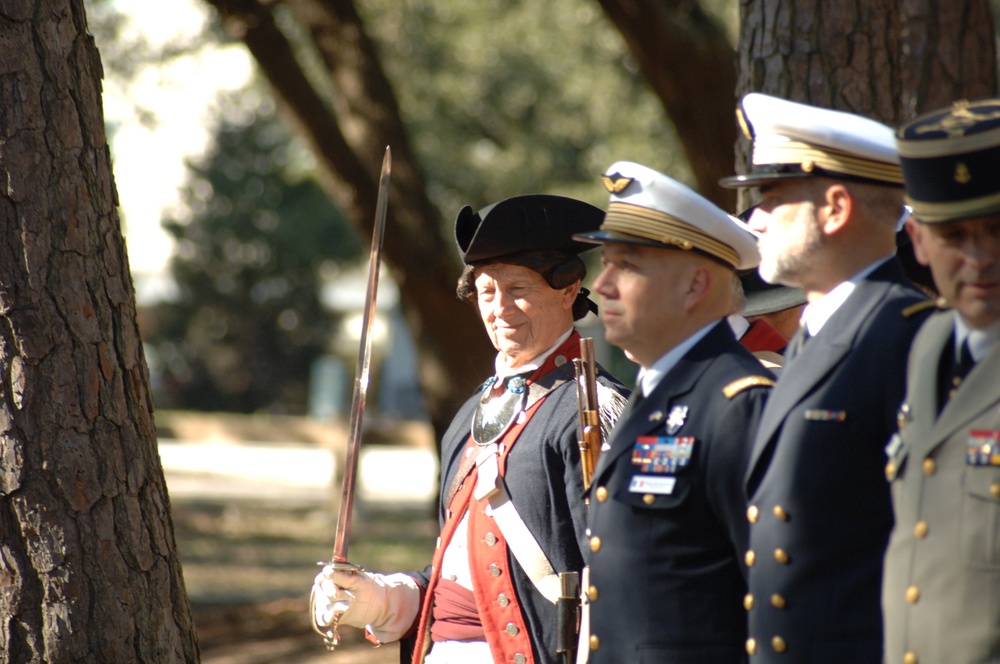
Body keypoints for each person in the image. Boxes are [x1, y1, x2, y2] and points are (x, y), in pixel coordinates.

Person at [310, 194, 630, 664]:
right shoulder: (470, 414)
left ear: (568, 289)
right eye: (486, 290)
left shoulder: (593, 409)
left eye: (518, 287)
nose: (499, 308)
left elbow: (614, 582)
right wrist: (381, 599)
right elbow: (457, 572)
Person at [719, 93, 933, 662]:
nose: (754, 219)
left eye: (771, 197)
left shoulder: (910, 338)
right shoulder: (817, 335)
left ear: (836, 208)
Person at [574, 161, 776, 662]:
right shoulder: (658, 389)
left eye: (628, 265)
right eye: (606, 263)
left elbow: (779, 600)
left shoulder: (739, 404)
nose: (602, 285)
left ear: (694, 286)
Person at [882, 98, 1000, 664]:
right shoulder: (928, 345)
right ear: (920, 242)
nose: (980, 258)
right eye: (955, 235)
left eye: (997, 230)